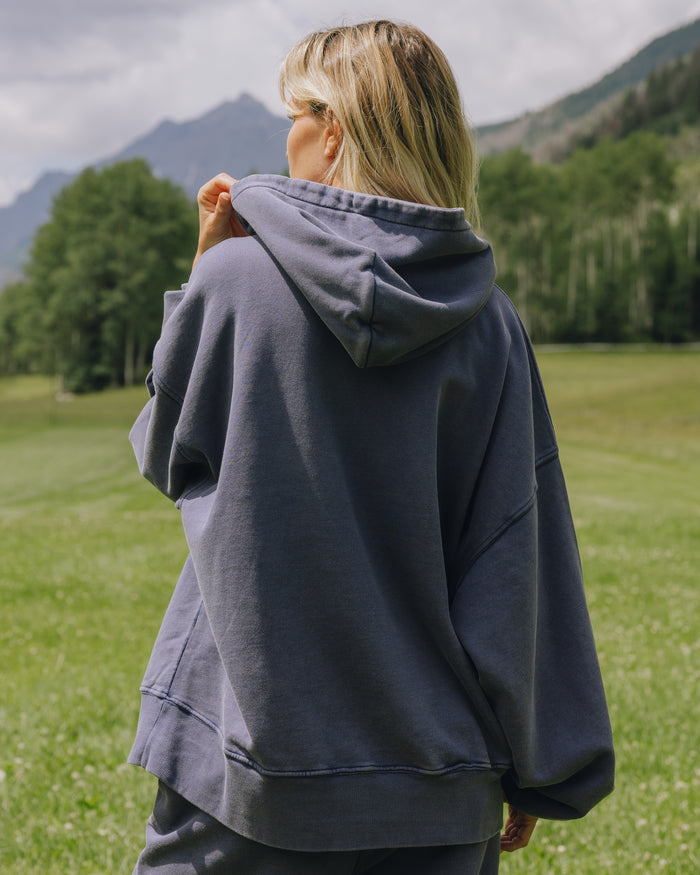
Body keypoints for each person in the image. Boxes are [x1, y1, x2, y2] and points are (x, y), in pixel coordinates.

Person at [128, 19, 614, 874]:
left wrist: (200, 278)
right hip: (435, 791)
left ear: (335, 128)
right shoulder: (490, 325)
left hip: (245, 774)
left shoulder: (236, 282)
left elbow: (165, 452)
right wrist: (539, 769)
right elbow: (514, 557)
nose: (285, 135)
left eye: (294, 110)